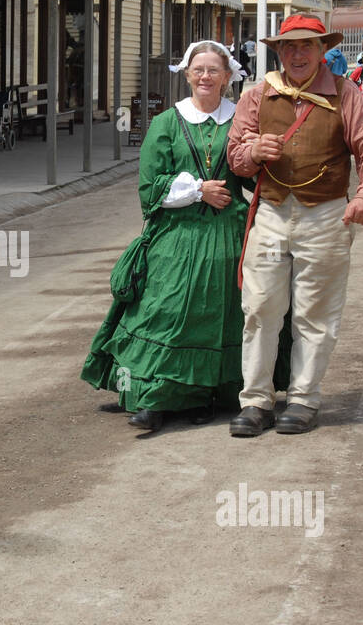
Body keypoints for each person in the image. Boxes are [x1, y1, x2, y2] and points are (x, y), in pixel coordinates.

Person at [82, 41, 287, 432]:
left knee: (224, 315)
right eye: (199, 70)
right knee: (166, 310)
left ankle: (212, 394)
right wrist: (197, 191)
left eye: (214, 70)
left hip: (229, 233)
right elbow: (149, 187)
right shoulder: (166, 123)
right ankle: (156, 398)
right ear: (187, 74)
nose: (206, 77)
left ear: (229, 77)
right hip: (177, 233)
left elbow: (251, 174)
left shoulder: (241, 120)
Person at [226, 15, 363, 436]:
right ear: (279, 51)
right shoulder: (258, 94)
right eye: (289, 47)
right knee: (261, 308)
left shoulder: (345, 92)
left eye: (306, 46)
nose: (297, 54)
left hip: (326, 214)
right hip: (270, 212)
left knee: (315, 314)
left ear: (322, 50)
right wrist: (253, 152)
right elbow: (235, 154)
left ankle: (303, 399)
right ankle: (257, 400)